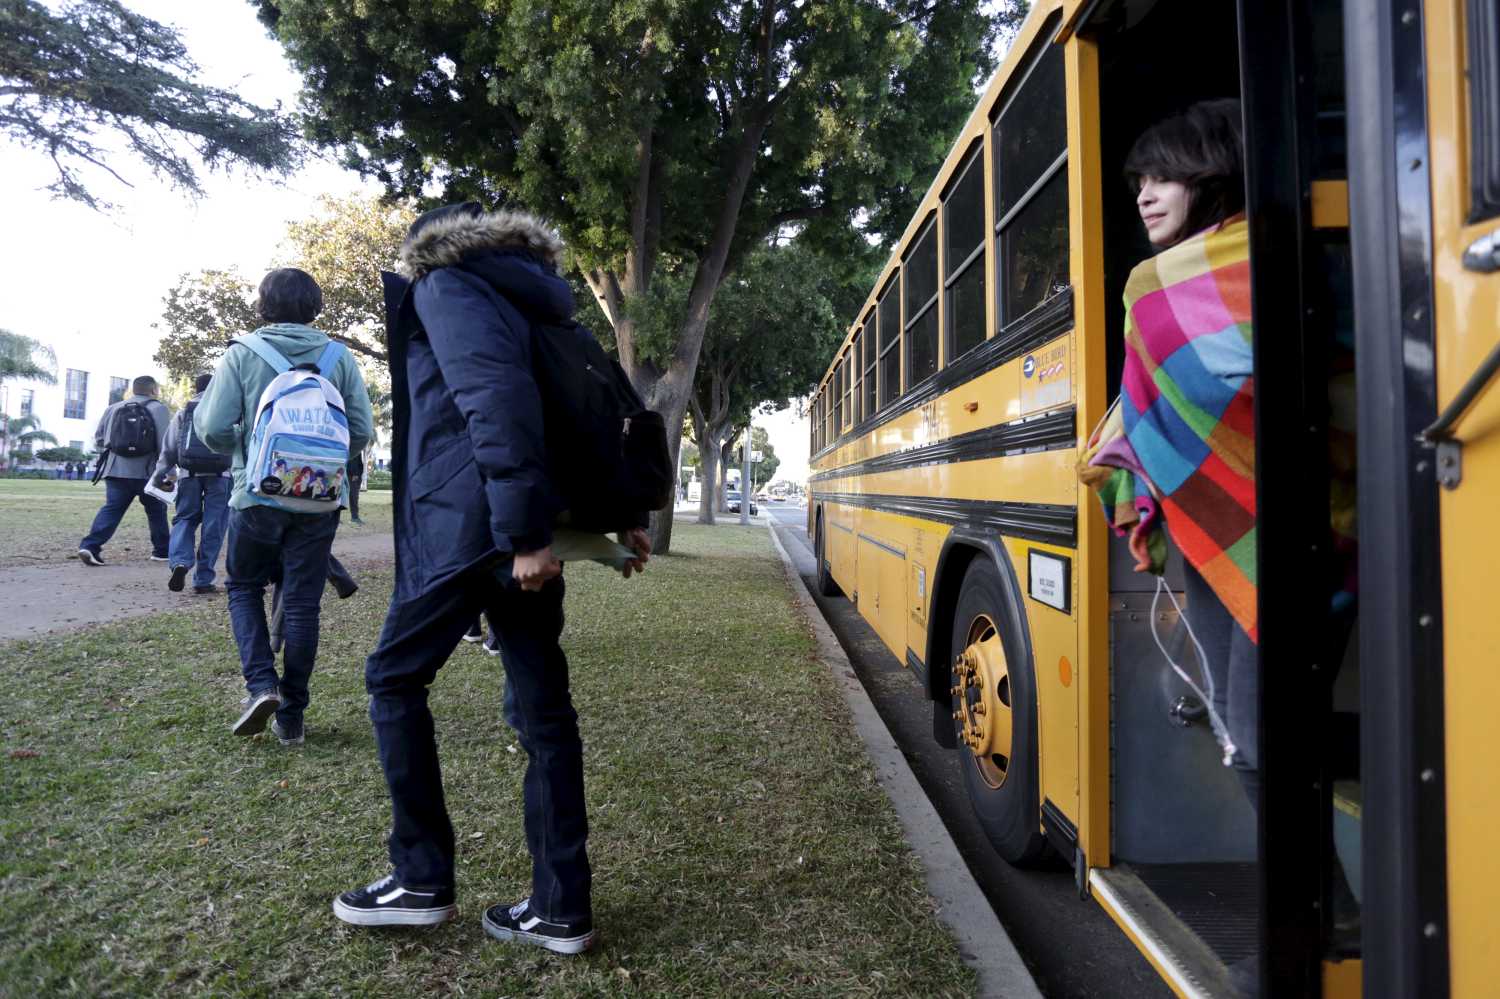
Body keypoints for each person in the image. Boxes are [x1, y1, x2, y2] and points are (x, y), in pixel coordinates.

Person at [332, 204, 649, 954]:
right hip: (519, 526)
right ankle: (561, 906)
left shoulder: (448, 284)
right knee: (544, 710)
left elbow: (496, 402)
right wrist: (620, 507)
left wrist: (527, 535)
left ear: (428, 246)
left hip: (479, 529)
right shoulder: (538, 295)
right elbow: (595, 406)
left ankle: (420, 878)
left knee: (393, 677)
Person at [1082, 99, 1258, 799]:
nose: (1145, 195)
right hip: (1210, 519)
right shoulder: (1158, 281)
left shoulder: (1168, 283)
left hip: (1278, 521)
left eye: (1162, 176)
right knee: (1240, 725)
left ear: (1210, 173)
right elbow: (1155, 401)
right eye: (1137, 184)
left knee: (1250, 733)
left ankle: (1324, 909)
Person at [196, 267, 373, 746]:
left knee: (244, 587)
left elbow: (210, 427)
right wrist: (319, 462)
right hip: (319, 502)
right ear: (314, 307)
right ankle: (292, 715)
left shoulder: (242, 354)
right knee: (301, 604)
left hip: (257, 495)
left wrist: (248, 452)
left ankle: (260, 686)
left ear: (262, 304)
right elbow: (360, 431)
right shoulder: (340, 358)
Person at [78, 375, 172, 566]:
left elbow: (99, 439)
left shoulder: (114, 408)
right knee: (156, 511)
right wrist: (169, 470)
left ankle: (91, 546)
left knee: (112, 509)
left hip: (115, 470)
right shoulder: (159, 409)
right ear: (153, 390)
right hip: (148, 472)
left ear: (133, 390)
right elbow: (165, 443)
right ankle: (161, 551)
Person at [152, 373, 232, 595]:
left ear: (195, 389)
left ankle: (180, 562)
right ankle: (203, 579)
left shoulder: (183, 412)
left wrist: (160, 476)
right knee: (214, 526)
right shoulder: (228, 411)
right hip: (221, 476)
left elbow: (169, 449)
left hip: (189, 474)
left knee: (185, 519)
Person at [347, 451, 364, 524]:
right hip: (353, 475)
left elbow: (359, 462)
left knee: (354, 496)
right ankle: (354, 517)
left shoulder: (357, 447)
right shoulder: (352, 445)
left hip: (355, 475)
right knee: (354, 496)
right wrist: (355, 473)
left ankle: (354, 517)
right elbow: (353, 460)